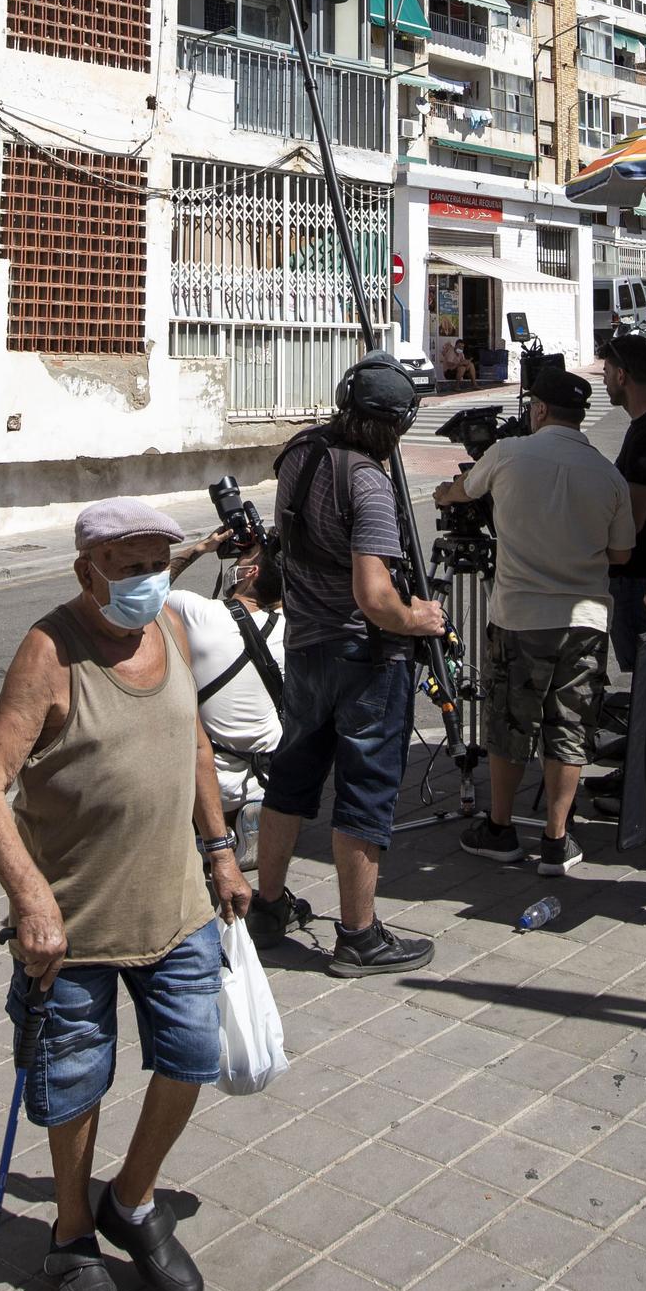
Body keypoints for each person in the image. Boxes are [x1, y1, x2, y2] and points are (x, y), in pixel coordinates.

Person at [0, 498, 251, 1291]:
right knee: (74, 1086)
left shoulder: (170, 628)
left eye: (156, 563)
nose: (146, 580)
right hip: (76, 929)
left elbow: (193, 741)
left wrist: (221, 850)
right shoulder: (49, 652)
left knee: (191, 1059)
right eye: (127, 567)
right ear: (86, 571)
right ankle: (72, 1233)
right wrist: (31, 899)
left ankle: (131, 1198)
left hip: (179, 908)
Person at [249, 351, 446, 976]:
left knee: (292, 777)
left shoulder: (300, 453)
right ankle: (359, 935)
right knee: (365, 790)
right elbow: (374, 595)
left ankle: (269, 905)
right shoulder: (367, 480)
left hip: (306, 647)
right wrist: (420, 618)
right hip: (364, 655)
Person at [435, 361, 635, 874]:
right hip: (585, 620)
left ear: (539, 409)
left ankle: (500, 828)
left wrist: (445, 494)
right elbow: (620, 554)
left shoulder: (508, 454)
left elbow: (464, 491)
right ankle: (556, 837)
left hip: (521, 616)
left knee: (509, 722)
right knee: (569, 726)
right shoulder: (608, 473)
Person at [168, 528, 286, 864]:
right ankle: (252, 819)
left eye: (244, 557)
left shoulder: (200, 614)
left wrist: (200, 549)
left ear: (249, 573)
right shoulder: (290, 628)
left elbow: (147, 589)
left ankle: (209, 834)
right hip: (268, 776)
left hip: (209, 784)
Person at [600, 331, 646, 674]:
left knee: (644, 678)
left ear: (622, 375)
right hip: (637, 578)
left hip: (634, 579)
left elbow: (633, 520)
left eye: (608, 372)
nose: (606, 380)